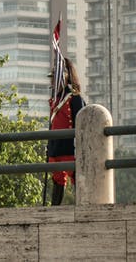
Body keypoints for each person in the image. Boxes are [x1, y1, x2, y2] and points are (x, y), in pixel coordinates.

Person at [47, 57, 84, 206]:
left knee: (75, 176)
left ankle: (81, 205)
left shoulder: (74, 98)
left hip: (69, 146)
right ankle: (54, 208)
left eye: (54, 78)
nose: (52, 81)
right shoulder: (54, 99)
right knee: (57, 180)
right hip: (55, 147)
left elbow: (80, 123)